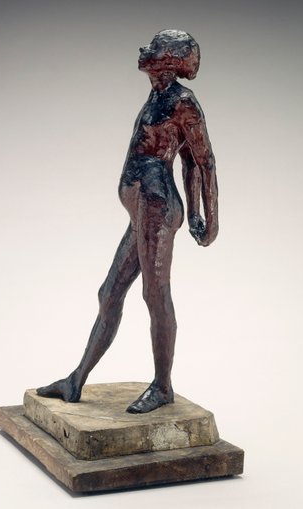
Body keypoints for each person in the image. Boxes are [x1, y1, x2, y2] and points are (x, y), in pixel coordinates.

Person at [37, 29, 218, 413]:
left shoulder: (183, 102)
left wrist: (206, 218)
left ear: (170, 61)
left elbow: (202, 161)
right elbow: (189, 161)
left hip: (156, 208)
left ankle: (163, 387)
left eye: (154, 47)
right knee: (109, 292)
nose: (143, 50)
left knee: (155, 294)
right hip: (142, 212)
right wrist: (196, 213)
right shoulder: (158, 97)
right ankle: (75, 381)